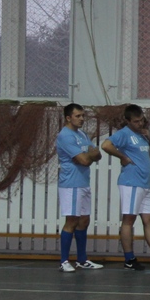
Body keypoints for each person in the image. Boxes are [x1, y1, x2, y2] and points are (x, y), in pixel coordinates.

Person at [99, 104, 150, 271]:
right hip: (131, 182)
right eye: (136, 121)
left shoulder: (142, 135)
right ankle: (129, 259)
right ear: (128, 121)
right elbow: (105, 145)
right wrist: (122, 157)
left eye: (141, 120)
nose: (140, 123)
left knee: (149, 220)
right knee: (129, 219)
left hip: (144, 183)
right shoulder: (124, 133)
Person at [55, 102, 103, 271]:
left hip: (83, 182)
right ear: (68, 118)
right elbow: (84, 160)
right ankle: (64, 261)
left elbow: (97, 154)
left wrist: (89, 155)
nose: (82, 119)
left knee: (84, 220)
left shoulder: (82, 134)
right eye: (78, 116)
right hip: (71, 184)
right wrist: (89, 156)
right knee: (72, 221)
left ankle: (82, 259)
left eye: (83, 115)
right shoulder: (65, 136)